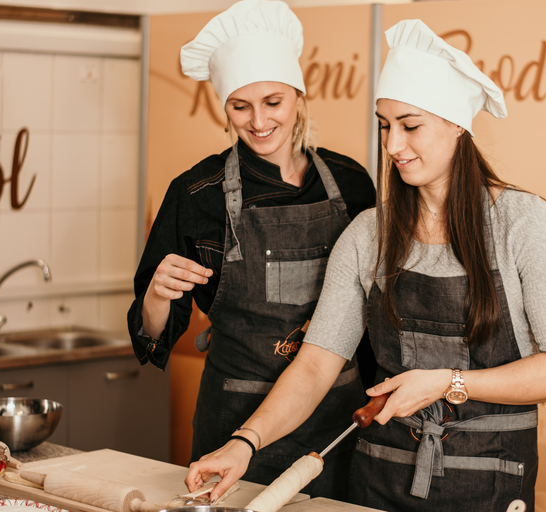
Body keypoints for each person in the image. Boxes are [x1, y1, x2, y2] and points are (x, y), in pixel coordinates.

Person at [183, 18, 546, 512]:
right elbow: (315, 364)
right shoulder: (369, 234)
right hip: (380, 476)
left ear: (457, 125)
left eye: (410, 125)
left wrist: (447, 383)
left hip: (489, 476)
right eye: (385, 126)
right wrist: (244, 443)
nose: (393, 145)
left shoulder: (525, 225)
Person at [126, 0, 376, 501]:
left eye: (273, 102)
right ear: (225, 109)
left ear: (299, 97)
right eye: (241, 106)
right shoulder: (197, 194)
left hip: (336, 422)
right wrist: (156, 296)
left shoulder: (350, 183)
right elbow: (152, 337)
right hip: (234, 424)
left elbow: (372, 314)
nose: (259, 120)